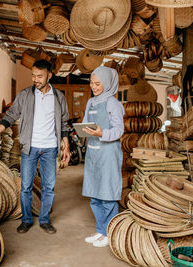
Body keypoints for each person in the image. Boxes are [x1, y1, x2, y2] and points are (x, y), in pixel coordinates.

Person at [0, 59, 71, 234]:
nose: (35, 79)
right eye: (33, 75)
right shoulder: (25, 95)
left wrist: (65, 147)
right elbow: (10, 117)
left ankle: (44, 220)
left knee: (48, 187)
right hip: (29, 148)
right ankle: (26, 220)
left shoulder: (59, 97)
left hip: (51, 148)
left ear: (49, 76)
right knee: (26, 186)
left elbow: (64, 124)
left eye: (40, 76)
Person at [81, 66, 124, 247]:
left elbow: (119, 130)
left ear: (107, 83)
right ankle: (100, 230)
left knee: (107, 194)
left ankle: (109, 233)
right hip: (93, 152)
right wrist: (82, 128)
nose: (94, 86)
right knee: (95, 194)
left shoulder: (113, 103)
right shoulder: (91, 102)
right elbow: (85, 122)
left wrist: (101, 133)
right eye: (92, 82)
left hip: (108, 153)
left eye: (98, 83)